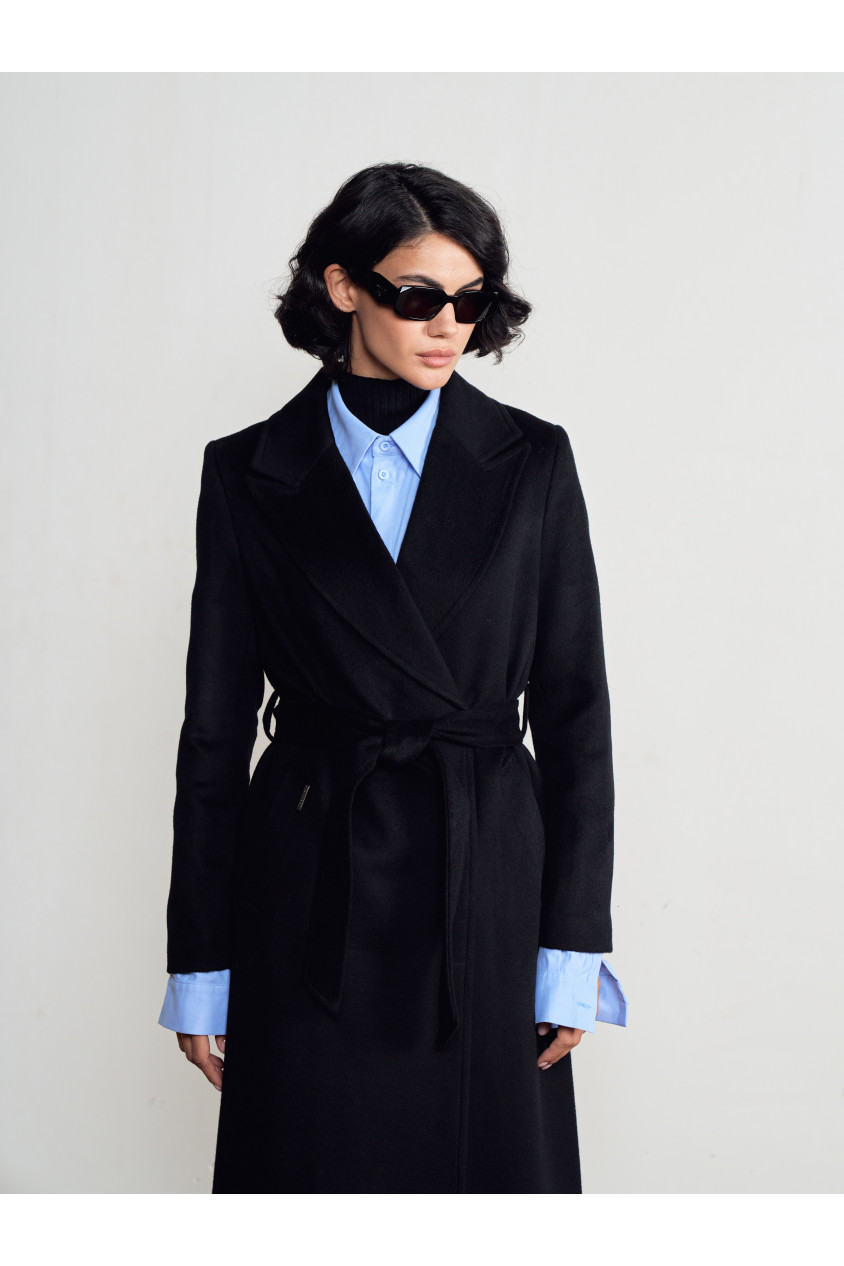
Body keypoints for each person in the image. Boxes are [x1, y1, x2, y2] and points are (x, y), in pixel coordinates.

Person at [158, 161, 628, 1194]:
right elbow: (212, 732)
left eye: (471, 301)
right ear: (343, 287)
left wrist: (572, 947)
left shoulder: (533, 461)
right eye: (418, 297)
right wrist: (198, 964)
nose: (448, 326)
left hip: (485, 874)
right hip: (311, 876)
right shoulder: (246, 471)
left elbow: (576, 715)